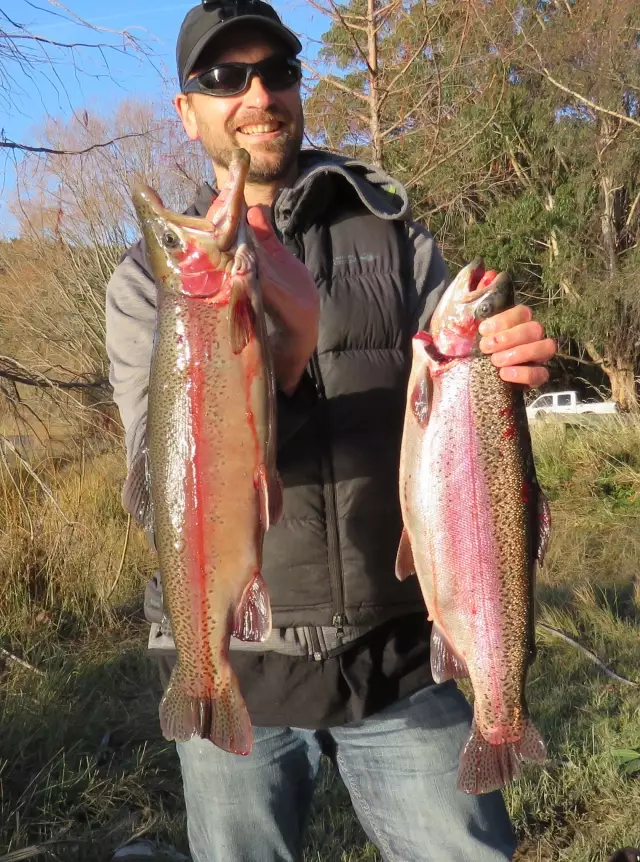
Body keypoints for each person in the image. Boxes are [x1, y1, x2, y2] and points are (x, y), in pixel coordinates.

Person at [105, 1, 557, 860]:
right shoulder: (145, 284)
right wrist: (272, 359)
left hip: (400, 657)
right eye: (223, 77)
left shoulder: (395, 233)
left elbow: (458, 409)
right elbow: (153, 476)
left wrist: (509, 362)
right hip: (239, 656)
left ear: (299, 86)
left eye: (276, 70)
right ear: (186, 108)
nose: (257, 94)